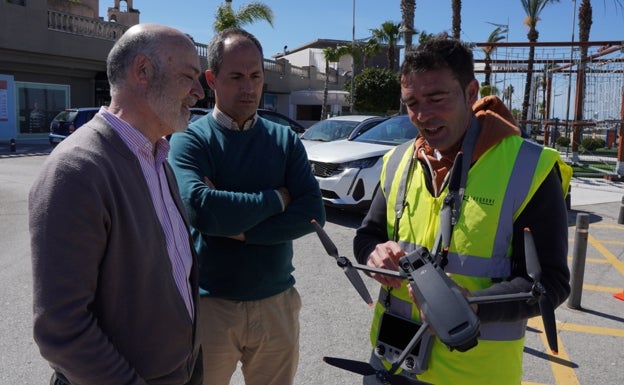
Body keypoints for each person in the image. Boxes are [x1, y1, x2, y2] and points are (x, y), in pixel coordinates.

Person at [353, 36, 572, 385]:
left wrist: (473, 304)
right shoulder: (398, 161)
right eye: (412, 103)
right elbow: (368, 235)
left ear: (471, 92)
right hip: (392, 360)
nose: (423, 115)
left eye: (437, 99)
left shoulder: (529, 168)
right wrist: (374, 254)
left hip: (476, 374)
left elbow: (551, 283)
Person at [29, 23, 205, 385]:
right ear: (142, 71)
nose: (199, 93)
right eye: (189, 77)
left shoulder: (158, 158)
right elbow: (62, 330)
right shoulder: (76, 170)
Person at [168, 27, 325, 385]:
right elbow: (201, 209)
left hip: (277, 304)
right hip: (211, 307)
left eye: (255, 76)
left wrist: (237, 230)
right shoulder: (190, 140)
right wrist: (278, 198)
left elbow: (313, 213)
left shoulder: (284, 140)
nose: (249, 87)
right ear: (212, 79)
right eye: (236, 77)